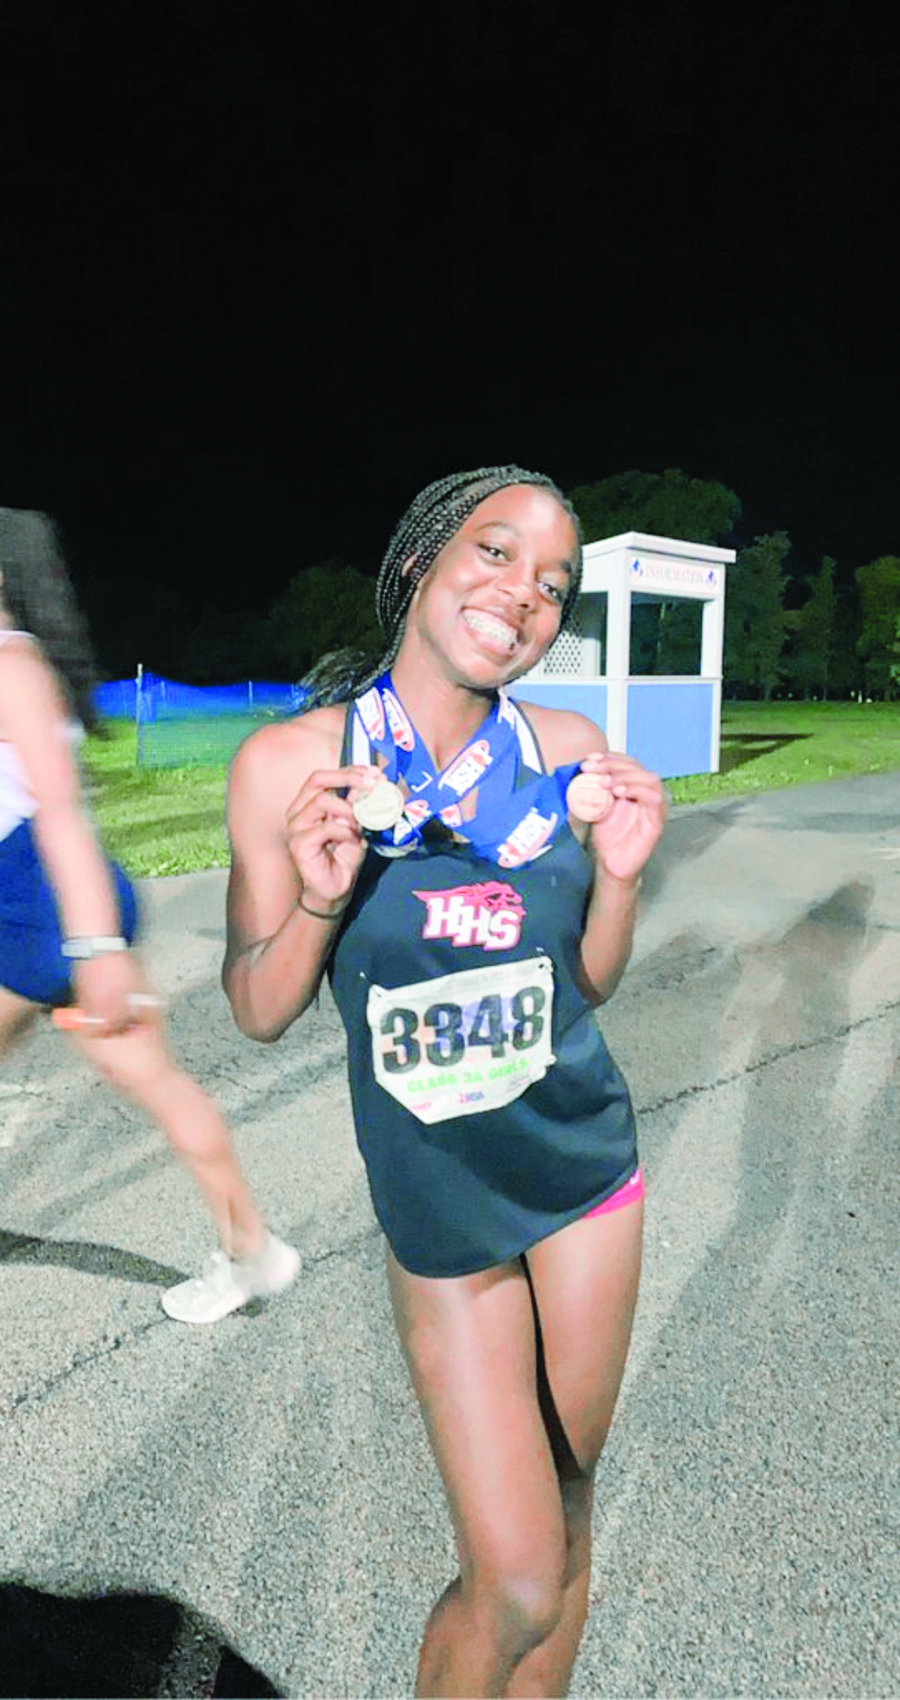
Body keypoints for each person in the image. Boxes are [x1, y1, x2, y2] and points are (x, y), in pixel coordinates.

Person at [223, 466, 667, 1697]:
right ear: (421, 561)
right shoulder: (292, 764)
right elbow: (258, 1006)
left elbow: (588, 980)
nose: (523, 593)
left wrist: (620, 874)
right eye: (495, 551)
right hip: (446, 1215)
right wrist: (320, 896)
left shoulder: (568, 753)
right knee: (514, 1575)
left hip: (587, 1177)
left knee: (568, 1529)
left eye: (553, 583)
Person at [0, 506, 299, 1325]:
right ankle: (252, 1251)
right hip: (32, 907)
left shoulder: (12, 666)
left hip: (48, 910)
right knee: (156, 1082)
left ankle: (252, 1252)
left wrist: (96, 950)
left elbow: (61, 811)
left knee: (156, 1082)